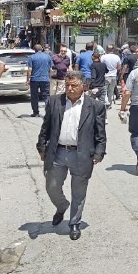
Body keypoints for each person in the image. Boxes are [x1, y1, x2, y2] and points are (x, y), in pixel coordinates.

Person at [36, 71, 106, 241]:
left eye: (74, 85)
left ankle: (74, 223)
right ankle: (62, 206)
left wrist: (99, 152)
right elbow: (46, 127)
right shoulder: (54, 102)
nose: (70, 88)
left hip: (82, 154)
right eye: (67, 85)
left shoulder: (95, 106)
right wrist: (41, 146)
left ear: (83, 86)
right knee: (51, 186)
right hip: (58, 152)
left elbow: (100, 133)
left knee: (78, 191)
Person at [27, 44, 52, 117]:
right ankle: (48, 112)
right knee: (46, 96)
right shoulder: (48, 57)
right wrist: (49, 78)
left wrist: (28, 79)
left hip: (34, 79)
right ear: (42, 49)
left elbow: (29, 70)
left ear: (34, 50)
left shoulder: (31, 57)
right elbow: (51, 69)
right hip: (45, 79)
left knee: (34, 96)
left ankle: (36, 112)